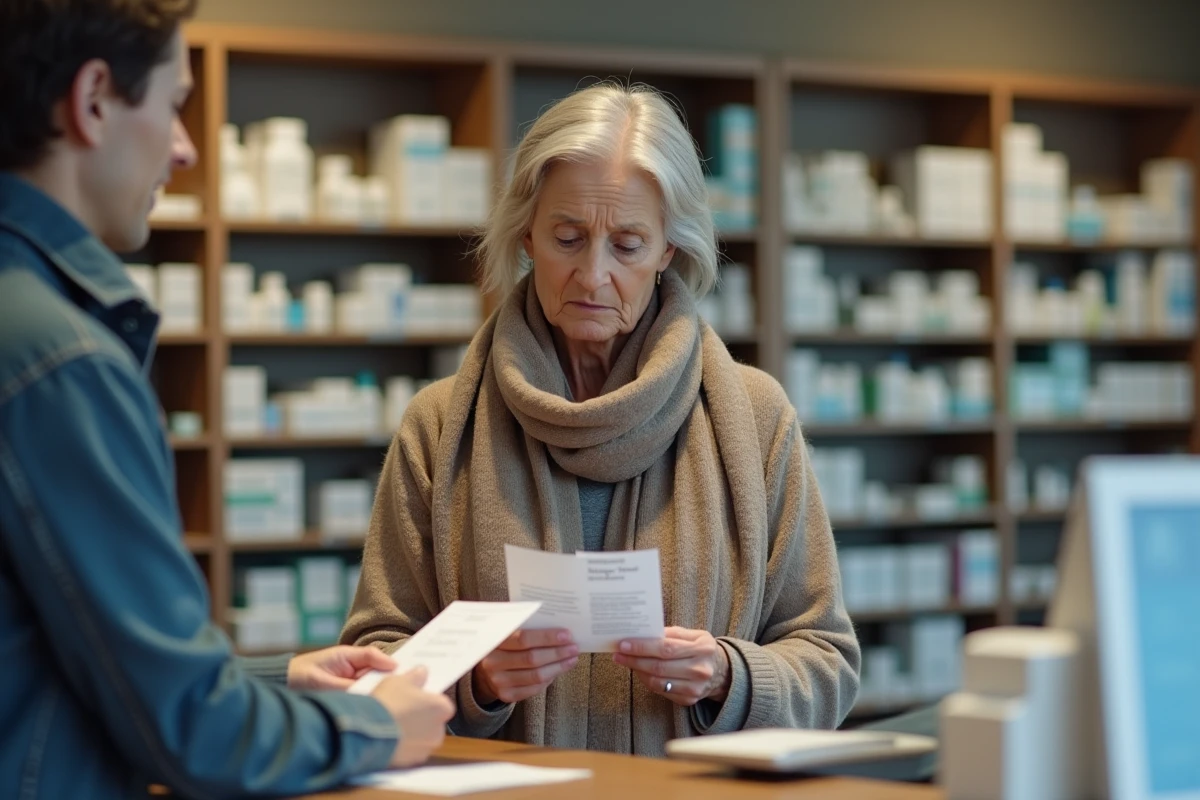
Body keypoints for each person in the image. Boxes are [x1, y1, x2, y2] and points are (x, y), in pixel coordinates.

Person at [0, 2, 453, 797]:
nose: (182, 150)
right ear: (94, 98)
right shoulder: (59, 361)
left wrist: (277, 679)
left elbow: (62, 656)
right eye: (175, 105)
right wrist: (377, 725)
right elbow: (192, 734)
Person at [342, 83, 861, 756]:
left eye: (627, 244)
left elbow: (828, 662)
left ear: (668, 250)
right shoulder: (441, 426)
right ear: (527, 233)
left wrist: (730, 677)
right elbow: (372, 656)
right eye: (568, 238)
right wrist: (476, 681)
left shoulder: (754, 419)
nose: (592, 275)